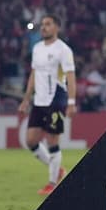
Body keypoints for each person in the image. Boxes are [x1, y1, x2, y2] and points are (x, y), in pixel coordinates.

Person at [18, 14, 76, 194]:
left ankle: (52, 183)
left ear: (57, 27)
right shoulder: (37, 48)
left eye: (48, 24)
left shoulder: (63, 50)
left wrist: (71, 102)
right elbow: (34, 74)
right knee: (31, 141)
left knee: (52, 141)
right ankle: (58, 170)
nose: (43, 27)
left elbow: (71, 77)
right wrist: (26, 99)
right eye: (42, 24)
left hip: (56, 99)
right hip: (39, 100)